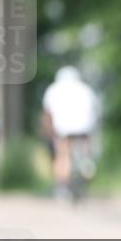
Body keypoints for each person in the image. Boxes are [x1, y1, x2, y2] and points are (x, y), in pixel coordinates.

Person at [42, 66, 99, 199]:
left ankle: (62, 187)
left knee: (63, 155)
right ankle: (86, 167)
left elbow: (48, 114)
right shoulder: (86, 89)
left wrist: (48, 132)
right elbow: (94, 110)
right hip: (84, 128)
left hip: (63, 129)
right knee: (85, 153)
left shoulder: (53, 90)